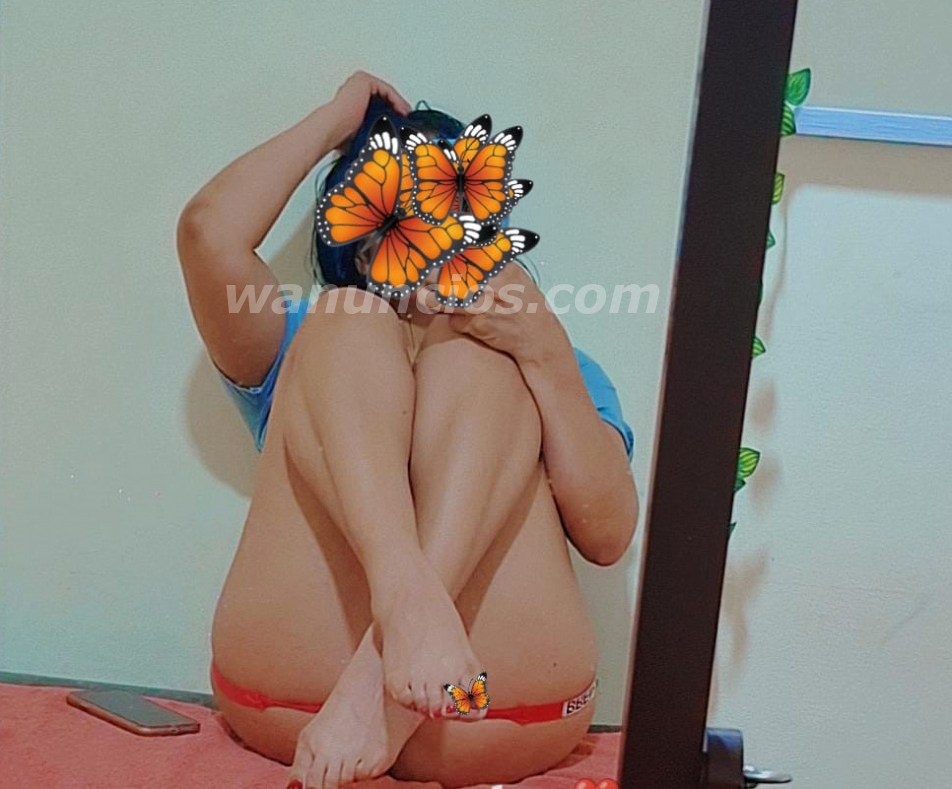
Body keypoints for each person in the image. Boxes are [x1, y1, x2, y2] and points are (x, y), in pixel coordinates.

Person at [177, 72, 639, 789]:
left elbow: (608, 536)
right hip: (298, 708)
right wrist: (336, 119)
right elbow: (208, 234)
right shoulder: (301, 342)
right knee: (346, 318)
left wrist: (544, 353)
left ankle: (376, 684)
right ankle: (406, 610)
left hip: (495, 719)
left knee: (483, 356)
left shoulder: (556, 365)